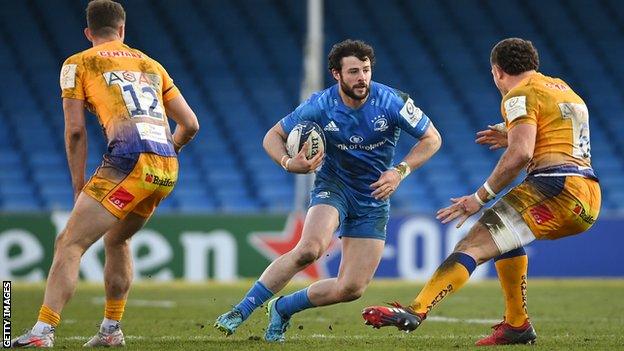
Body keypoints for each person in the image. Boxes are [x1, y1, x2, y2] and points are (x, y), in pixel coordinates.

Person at [362, 37, 601, 346]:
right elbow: (554, 133)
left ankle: (415, 311)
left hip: (556, 187)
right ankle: (517, 324)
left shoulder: (519, 95)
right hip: (587, 194)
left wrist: (478, 198)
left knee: (473, 243)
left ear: (497, 72)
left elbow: (520, 155)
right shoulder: (561, 88)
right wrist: (512, 133)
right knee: (504, 241)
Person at [214, 39, 441, 342]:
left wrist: (400, 171)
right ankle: (240, 310)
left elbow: (432, 138)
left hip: (373, 196)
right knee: (310, 248)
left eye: (366, 70)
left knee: (351, 289)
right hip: (334, 186)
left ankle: (282, 308)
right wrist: (286, 161)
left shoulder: (392, 101)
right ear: (336, 74)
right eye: (354, 72)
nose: (362, 78)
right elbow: (273, 136)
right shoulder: (320, 105)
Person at [11, 0, 199, 347]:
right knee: (117, 239)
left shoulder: (78, 63)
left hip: (126, 161)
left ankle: (42, 332)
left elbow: (76, 132)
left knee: (70, 242)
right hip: (165, 168)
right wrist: (168, 151)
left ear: (88, 33)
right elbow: (190, 124)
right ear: (122, 30)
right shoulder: (151, 64)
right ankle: (111, 331)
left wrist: (78, 186)